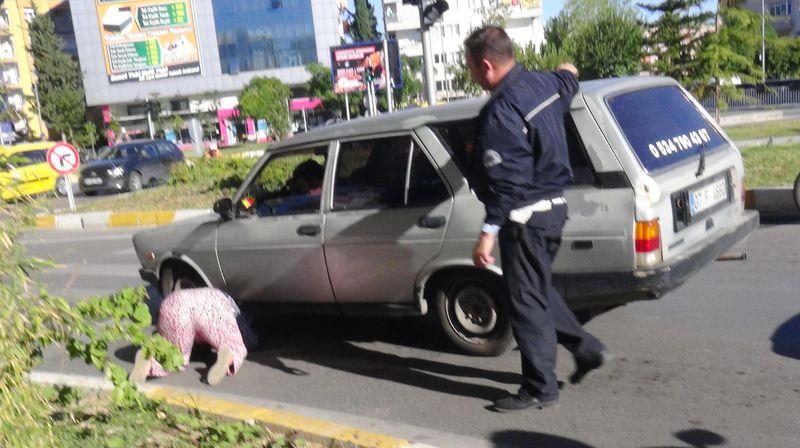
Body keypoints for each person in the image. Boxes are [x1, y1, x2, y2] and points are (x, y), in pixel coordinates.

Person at [464, 26, 612, 412]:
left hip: (525, 218)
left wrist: (487, 234)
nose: (472, 76)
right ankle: (586, 348)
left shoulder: (502, 111)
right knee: (534, 288)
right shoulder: (547, 84)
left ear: (485, 66)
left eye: (471, 69)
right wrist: (568, 70)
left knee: (525, 303)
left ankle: (539, 387)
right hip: (554, 211)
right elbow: (569, 78)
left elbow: (507, 185)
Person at [129, 287, 257, 386]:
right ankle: (228, 355)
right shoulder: (231, 307)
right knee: (235, 346)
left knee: (176, 355)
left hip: (174, 304)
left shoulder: (217, 292)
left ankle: (149, 363)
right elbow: (248, 339)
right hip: (212, 308)